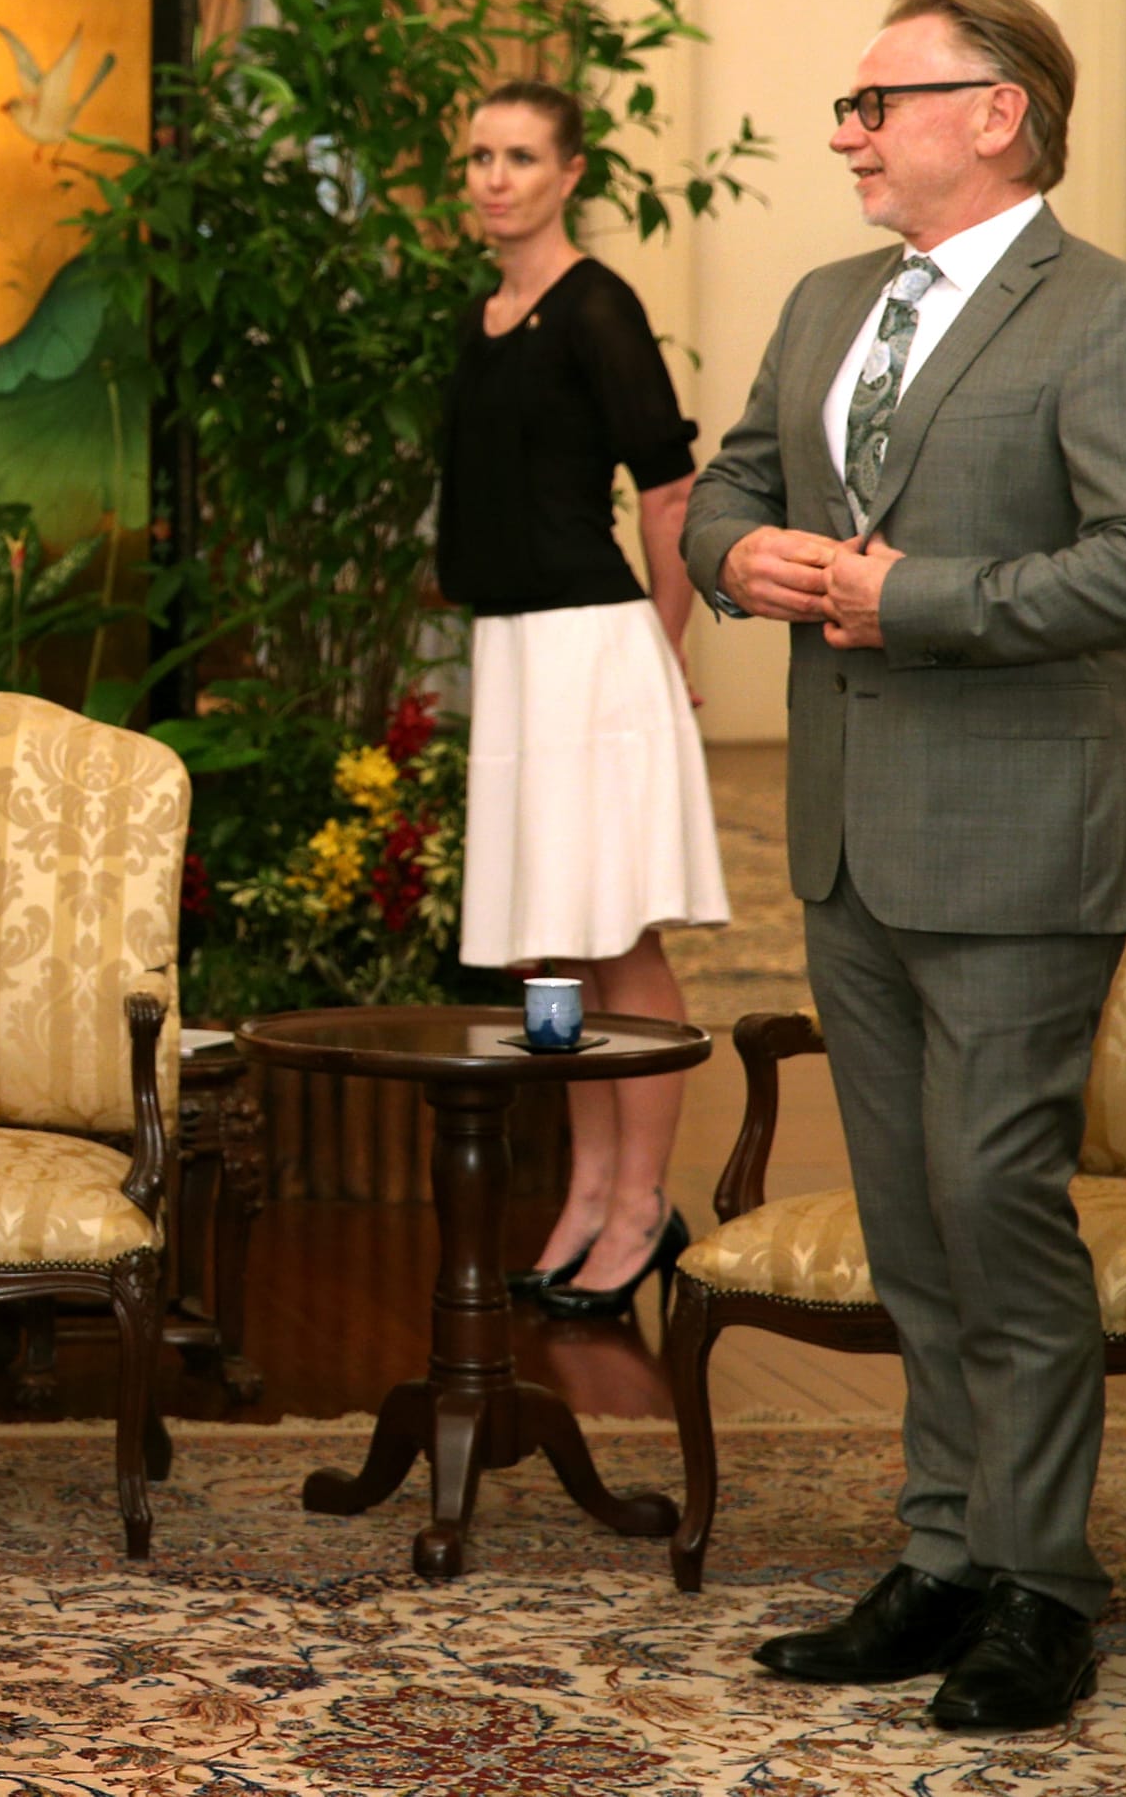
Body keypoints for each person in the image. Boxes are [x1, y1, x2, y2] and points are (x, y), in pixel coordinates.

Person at [684, 0, 1126, 1732]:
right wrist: (746, 565)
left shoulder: (1097, 315)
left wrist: (912, 601)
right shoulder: (820, 305)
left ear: (997, 112)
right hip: (847, 843)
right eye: (847, 104)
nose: (845, 132)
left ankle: (1039, 1586)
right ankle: (940, 1553)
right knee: (907, 1225)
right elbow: (726, 487)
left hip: (1022, 841)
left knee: (992, 1209)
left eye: (879, 101)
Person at [439, 80, 729, 1322]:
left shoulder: (598, 307)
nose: (493, 178)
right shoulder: (486, 313)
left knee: (619, 937)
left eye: (518, 156)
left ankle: (643, 1200)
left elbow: (669, 491)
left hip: (597, 648)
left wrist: (661, 650)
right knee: (550, 947)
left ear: (569, 175)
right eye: (477, 158)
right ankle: (588, 1192)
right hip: (512, 651)